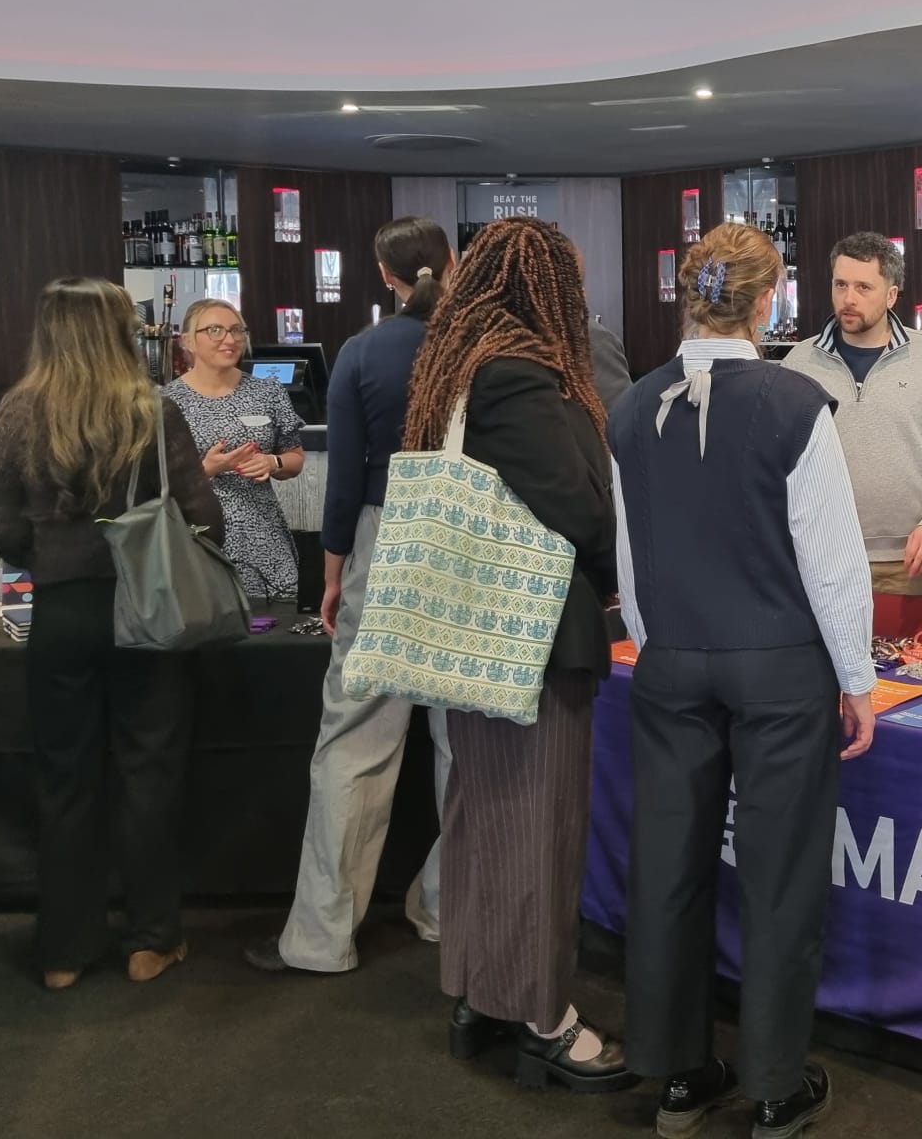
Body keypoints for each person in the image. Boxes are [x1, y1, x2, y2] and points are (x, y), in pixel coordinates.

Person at [611, 222, 876, 1139]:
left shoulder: (631, 406)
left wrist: (661, 644)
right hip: (779, 670)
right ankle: (773, 1085)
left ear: (689, 296)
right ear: (769, 302)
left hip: (672, 661)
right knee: (779, 873)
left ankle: (678, 1076)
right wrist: (859, 678)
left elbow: (630, 560)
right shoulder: (795, 403)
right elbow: (833, 564)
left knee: (668, 870)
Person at [409, 219, 631, 1094]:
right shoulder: (523, 378)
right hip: (535, 641)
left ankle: (479, 994)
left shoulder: (461, 370)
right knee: (540, 829)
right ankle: (544, 1017)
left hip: (480, 635)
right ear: (549, 290)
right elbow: (580, 505)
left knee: (483, 820)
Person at [0, 278, 224, 988]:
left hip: (61, 612)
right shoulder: (153, 409)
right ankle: (152, 941)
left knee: (65, 778)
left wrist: (53, 556)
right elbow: (203, 515)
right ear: (120, 331)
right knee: (148, 774)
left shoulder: (20, 411)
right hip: (145, 611)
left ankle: (63, 951)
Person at [246, 217, 456, 976]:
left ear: (384, 274)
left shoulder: (366, 353)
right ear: (452, 263)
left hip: (382, 533)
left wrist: (333, 576)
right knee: (467, 746)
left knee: (355, 739)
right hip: (469, 540)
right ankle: (447, 910)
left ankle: (321, 938)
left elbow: (343, 484)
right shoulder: (486, 348)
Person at [782, 232, 922, 599]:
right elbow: (779, 463)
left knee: (921, 658)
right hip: (824, 560)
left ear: (891, 295)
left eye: (863, 287)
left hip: (914, 561)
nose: (848, 298)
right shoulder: (799, 364)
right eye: (840, 285)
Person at [167, 298, 305, 604]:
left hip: (264, 536)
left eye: (236, 330)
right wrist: (206, 471)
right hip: (198, 541)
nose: (229, 340)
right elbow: (155, 485)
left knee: (276, 634)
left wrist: (273, 462)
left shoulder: (268, 392)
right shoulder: (166, 401)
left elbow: (295, 459)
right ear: (188, 341)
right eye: (215, 330)